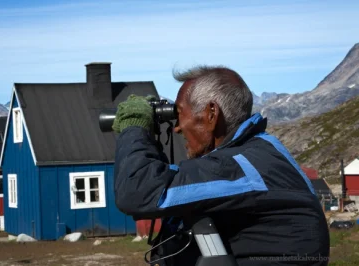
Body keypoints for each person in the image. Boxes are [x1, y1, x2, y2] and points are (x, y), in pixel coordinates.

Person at [112, 65, 330, 266]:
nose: (176, 128)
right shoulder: (262, 153)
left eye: (179, 114)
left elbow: (138, 192)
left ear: (211, 114)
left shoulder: (243, 169)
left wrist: (135, 127)